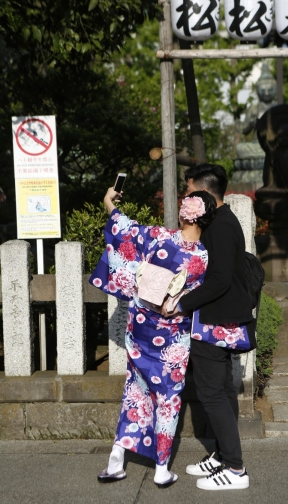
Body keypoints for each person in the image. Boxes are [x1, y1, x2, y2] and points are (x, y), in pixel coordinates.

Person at [90, 186, 216, 487]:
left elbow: (124, 228)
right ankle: (161, 468)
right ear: (205, 220)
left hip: (142, 327)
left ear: (185, 214)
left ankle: (116, 460)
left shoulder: (158, 236)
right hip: (173, 336)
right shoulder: (203, 258)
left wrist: (110, 201)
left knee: (135, 390)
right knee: (169, 398)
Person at [163, 163, 256, 491]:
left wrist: (181, 304)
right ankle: (221, 455)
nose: (186, 196)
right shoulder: (222, 220)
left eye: (188, 190)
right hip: (219, 318)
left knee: (212, 392)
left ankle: (235, 469)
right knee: (222, 389)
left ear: (203, 190)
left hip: (215, 319)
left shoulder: (219, 226)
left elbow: (217, 280)